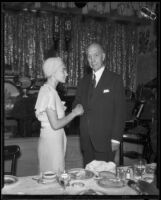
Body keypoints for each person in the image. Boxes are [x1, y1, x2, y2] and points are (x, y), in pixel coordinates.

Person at [73, 43, 126, 166]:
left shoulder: (115, 80)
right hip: (86, 141)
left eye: (96, 55)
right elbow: (76, 103)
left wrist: (116, 139)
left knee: (104, 179)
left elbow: (120, 112)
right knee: (88, 179)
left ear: (103, 56)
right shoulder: (83, 81)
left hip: (106, 141)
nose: (92, 59)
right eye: (89, 56)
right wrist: (77, 107)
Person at [35, 57, 84, 174]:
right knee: (54, 176)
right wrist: (74, 113)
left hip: (53, 139)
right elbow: (55, 124)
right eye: (63, 70)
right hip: (52, 141)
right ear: (53, 72)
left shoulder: (50, 91)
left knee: (54, 175)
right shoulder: (49, 93)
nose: (66, 73)